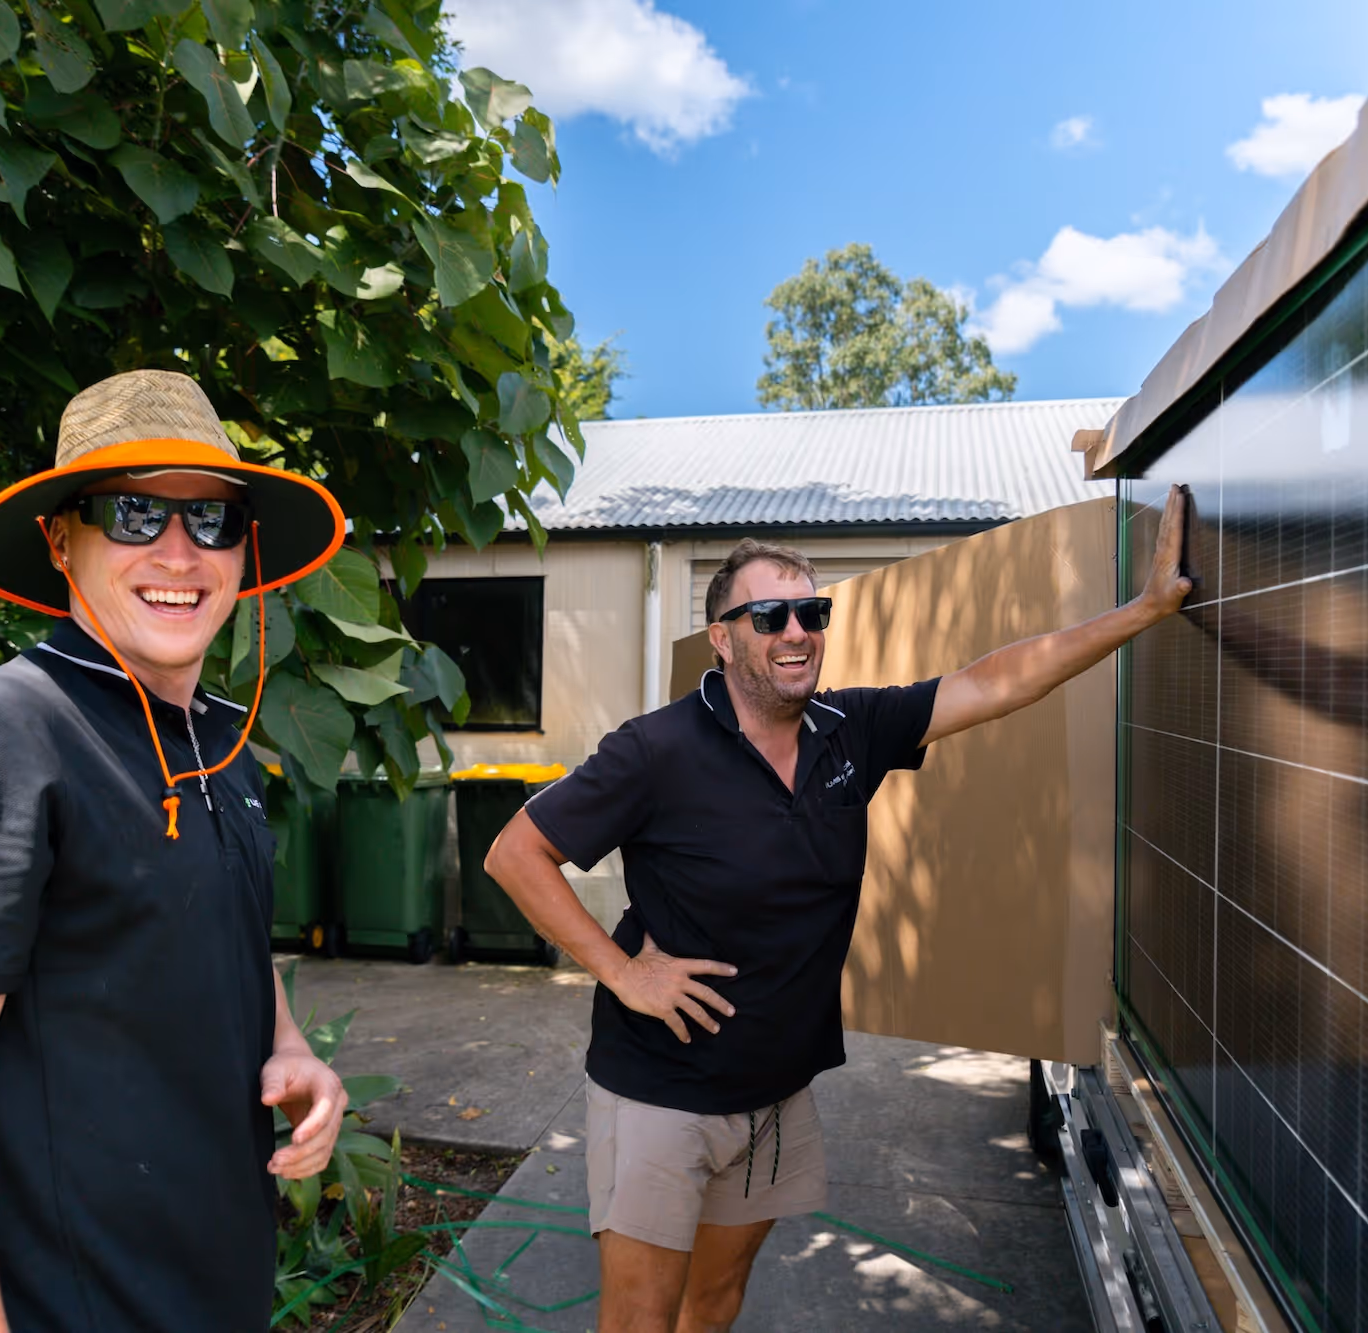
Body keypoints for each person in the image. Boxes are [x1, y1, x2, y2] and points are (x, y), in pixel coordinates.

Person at [485, 486, 1193, 1333]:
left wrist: (1144, 612)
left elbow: (996, 681)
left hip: (778, 1092)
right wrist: (621, 970)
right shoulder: (655, 749)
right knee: (640, 1320)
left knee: (713, 1305)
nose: (796, 632)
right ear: (723, 637)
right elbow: (515, 852)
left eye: (811, 612)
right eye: (770, 615)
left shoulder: (847, 729)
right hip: (660, 1093)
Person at [0, 370, 349, 1332]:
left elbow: (213, 929)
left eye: (212, 522)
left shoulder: (222, 745)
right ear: (58, 538)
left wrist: (289, 1048)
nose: (179, 553)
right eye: (132, 513)